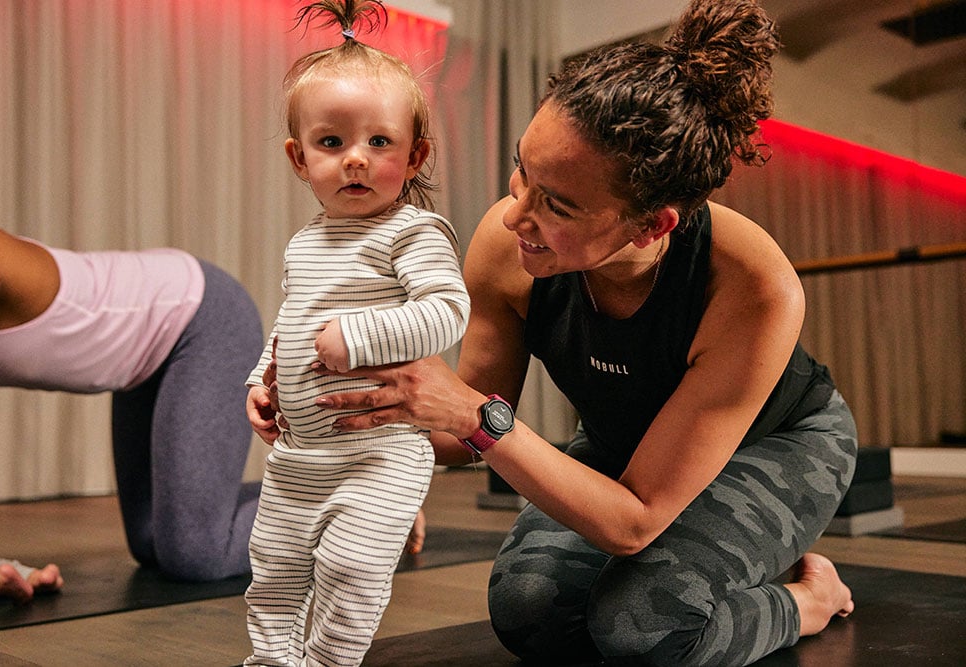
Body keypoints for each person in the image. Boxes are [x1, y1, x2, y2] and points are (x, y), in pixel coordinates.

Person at [310, 0, 859, 665]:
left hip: (779, 445)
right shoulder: (507, 245)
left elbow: (632, 519)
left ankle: (809, 599)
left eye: (558, 205)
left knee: (641, 627)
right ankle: (725, 559)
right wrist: (356, 417)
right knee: (528, 611)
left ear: (650, 225)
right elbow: (461, 429)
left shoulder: (753, 285)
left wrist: (474, 415)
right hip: (624, 444)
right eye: (523, 173)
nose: (516, 215)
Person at [241, 1, 470, 665]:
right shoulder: (306, 242)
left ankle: (327, 662)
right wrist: (263, 381)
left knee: (348, 569)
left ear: (415, 152)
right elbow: (292, 324)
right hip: (299, 458)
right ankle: (273, 660)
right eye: (332, 143)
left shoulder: (412, 232)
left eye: (380, 142)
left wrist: (361, 335)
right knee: (274, 571)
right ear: (298, 156)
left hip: (381, 455)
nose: (356, 161)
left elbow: (446, 309)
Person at [0, 217, 265, 606]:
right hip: (144, 353)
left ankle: (347, 496)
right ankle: (228, 500)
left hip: (201, 317)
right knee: (151, 541)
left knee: (198, 553)